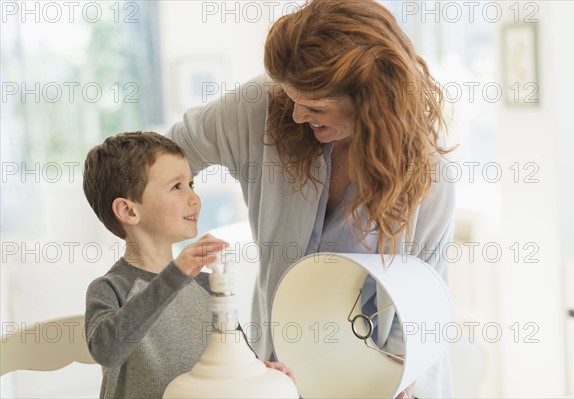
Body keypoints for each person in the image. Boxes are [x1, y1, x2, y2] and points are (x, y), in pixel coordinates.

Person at [167, 0, 456, 397]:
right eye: (292, 98)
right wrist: (159, 245)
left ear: (374, 101)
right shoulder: (264, 106)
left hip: (386, 380)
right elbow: (165, 158)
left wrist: (395, 378)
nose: (299, 115)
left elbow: (425, 301)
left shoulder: (427, 174)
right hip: (279, 374)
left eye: (316, 106)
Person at [82, 132, 293, 398]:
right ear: (128, 211)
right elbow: (107, 351)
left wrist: (262, 373)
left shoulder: (207, 285)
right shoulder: (111, 288)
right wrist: (176, 274)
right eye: (177, 187)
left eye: (191, 184)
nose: (195, 199)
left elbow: (237, 363)